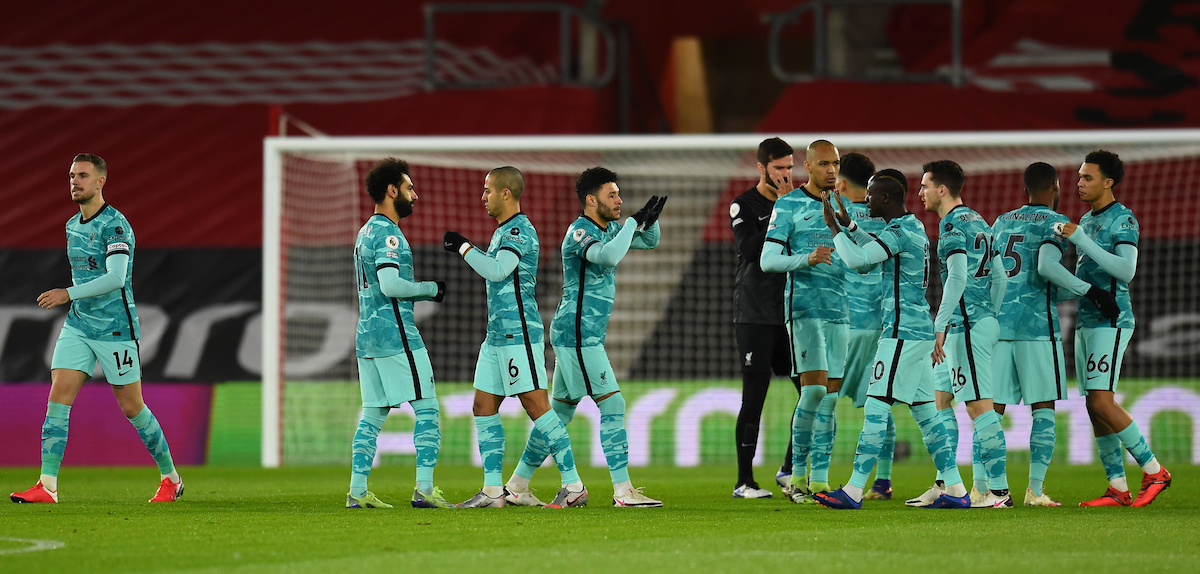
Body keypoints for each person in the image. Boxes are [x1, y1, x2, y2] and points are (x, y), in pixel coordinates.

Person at [12, 154, 182, 504]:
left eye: (84, 176)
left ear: (101, 181)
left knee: (132, 407)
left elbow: (116, 278)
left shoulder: (115, 226)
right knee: (58, 397)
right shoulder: (72, 225)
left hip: (115, 330)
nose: (76, 182)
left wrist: (67, 293)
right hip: (78, 326)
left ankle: (171, 478)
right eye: (72, 176)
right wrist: (73, 302)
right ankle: (47, 485)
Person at [506, 167, 666, 508]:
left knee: (560, 414)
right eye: (613, 195)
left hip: (582, 334)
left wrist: (648, 221)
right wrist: (631, 225)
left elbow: (651, 242)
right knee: (613, 404)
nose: (620, 200)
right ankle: (623, 491)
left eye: (620, 194)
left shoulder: (608, 229)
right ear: (591, 200)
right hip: (578, 335)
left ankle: (517, 485)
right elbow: (606, 256)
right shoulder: (580, 231)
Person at [813, 173, 968, 510]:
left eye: (870, 195)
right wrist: (850, 227)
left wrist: (835, 230)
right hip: (918, 332)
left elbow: (859, 262)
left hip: (901, 334)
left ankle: (854, 490)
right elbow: (873, 249)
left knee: (877, 407)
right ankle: (955, 487)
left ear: (884, 198)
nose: (865, 201)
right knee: (927, 415)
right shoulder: (910, 228)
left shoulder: (899, 231)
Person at [443, 166, 587, 509]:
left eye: (488, 190)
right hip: (496, 337)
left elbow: (497, 270)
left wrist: (464, 247)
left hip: (518, 334)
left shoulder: (520, 231)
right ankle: (493, 491)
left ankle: (574, 484)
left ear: (506, 193)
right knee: (482, 405)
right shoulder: (502, 231)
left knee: (536, 405)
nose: (483, 197)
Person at [991, 161, 1120, 506]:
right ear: (1055, 186)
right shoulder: (1055, 223)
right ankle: (1034, 490)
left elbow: (992, 275)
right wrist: (1090, 291)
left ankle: (991, 490)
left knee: (992, 410)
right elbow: (1046, 267)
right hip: (1036, 328)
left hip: (1000, 326)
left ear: (1025, 189)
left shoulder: (1001, 222)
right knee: (1042, 407)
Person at [1062, 150, 1171, 507]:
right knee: (1094, 407)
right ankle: (1118, 487)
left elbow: (1126, 271)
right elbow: (1083, 276)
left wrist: (1080, 240)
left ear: (1108, 182)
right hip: (1086, 320)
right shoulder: (1087, 220)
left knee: (1101, 400)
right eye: (1079, 177)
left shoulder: (1122, 219)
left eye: (1088, 177)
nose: (1080, 183)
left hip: (1112, 319)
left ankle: (1154, 470)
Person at [347, 158, 451, 509]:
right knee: (427, 408)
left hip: (366, 336)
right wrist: (430, 289)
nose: (415, 195)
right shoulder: (389, 233)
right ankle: (423, 489)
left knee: (373, 413)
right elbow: (391, 285)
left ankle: (357, 492)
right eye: (409, 188)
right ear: (392, 191)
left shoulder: (365, 231)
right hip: (396, 334)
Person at [911, 160, 1011, 508]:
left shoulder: (952, 226)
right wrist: (991, 314)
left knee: (978, 407)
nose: (920, 192)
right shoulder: (979, 221)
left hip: (964, 328)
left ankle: (998, 492)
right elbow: (1000, 276)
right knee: (941, 401)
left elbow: (957, 278)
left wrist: (941, 325)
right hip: (973, 324)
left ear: (942, 189)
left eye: (924, 185)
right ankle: (945, 483)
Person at [759, 140, 847, 503]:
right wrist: (806, 258)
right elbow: (767, 260)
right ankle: (796, 478)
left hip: (840, 311)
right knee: (812, 391)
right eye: (824, 163)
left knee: (830, 398)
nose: (831, 170)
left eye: (836, 164)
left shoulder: (846, 208)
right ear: (807, 167)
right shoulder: (789, 204)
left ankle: (821, 481)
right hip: (805, 309)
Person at [810, 154, 896, 500]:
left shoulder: (836, 215)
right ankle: (883, 481)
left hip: (844, 324)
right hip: (882, 325)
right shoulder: (889, 221)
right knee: (880, 404)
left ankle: (818, 477)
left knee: (825, 400)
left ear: (841, 185)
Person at [729, 137, 804, 499]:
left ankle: (789, 470)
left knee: (811, 394)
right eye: (779, 168)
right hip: (755, 314)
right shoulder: (744, 204)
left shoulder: (800, 202)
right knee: (754, 398)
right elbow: (748, 248)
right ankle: (745, 481)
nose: (786, 174)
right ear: (762, 168)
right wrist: (784, 209)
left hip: (793, 313)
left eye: (790, 167)